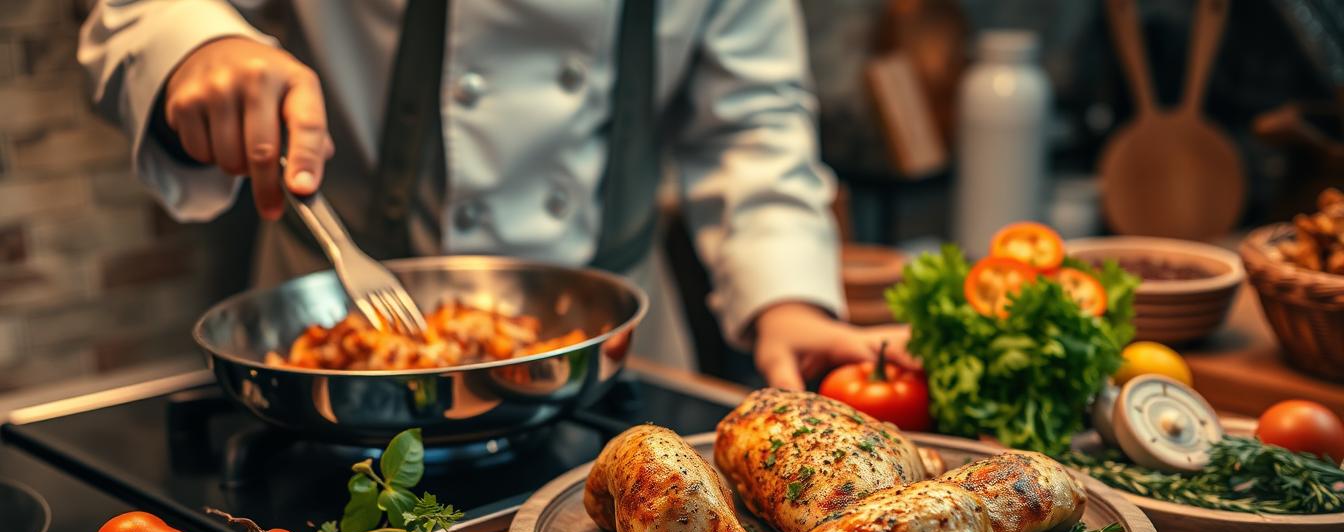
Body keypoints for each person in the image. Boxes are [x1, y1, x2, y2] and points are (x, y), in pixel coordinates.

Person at [79, 0, 912, 389]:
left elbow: (752, 119)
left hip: (622, 357)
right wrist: (200, 42)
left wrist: (791, 301)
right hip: (334, 342)